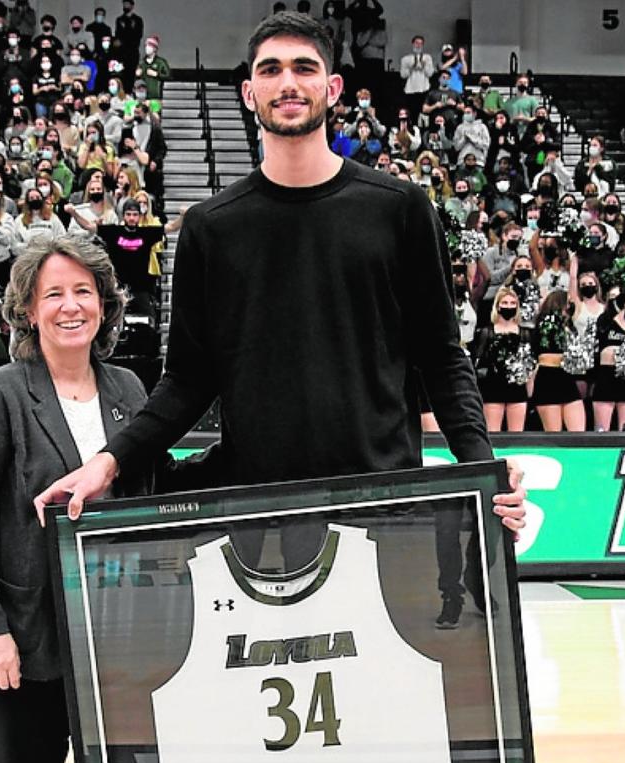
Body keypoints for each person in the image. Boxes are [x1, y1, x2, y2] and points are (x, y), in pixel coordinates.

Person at [37, 12, 527, 538]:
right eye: (270, 69)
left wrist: (484, 470)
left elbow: (442, 357)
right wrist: (110, 461)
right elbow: (187, 381)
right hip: (256, 516)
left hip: (382, 508)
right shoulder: (210, 228)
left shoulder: (400, 209)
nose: (288, 82)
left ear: (332, 88)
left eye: (304, 68)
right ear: (249, 93)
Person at [0, 235, 179, 763]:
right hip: (25, 644)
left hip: (119, 642)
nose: (71, 306)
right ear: (28, 311)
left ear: (104, 303)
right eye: (53, 294)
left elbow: (158, 482)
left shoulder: (128, 388)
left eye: (83, 291)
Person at [471, 287, 531, 432]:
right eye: (505, 303)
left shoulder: (525, 333)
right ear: (497, 306)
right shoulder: (486, 332)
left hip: (517, 388)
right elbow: (478, 362)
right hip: (492, 387)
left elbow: (530, 364)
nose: (508, 306)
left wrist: (530, 388)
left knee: (517, 433)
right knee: (493, 433)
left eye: (512, 303)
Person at [531, 290, 585, 431]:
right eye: (568, 303)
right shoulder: (545, 325)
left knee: (578, 433)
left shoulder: (571, 327)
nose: (571, 306)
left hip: (567, 378)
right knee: (553, 434)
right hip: (548, 378)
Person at [590, 284, 625, 431]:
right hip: (606, 377)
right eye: (611, 297)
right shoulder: (604, 321)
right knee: (602, 431)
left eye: (617, 297)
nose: (615, 300)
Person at [399, 35, 434, 117]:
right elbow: (403, 75)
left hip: (424, 89)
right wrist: (411, 68)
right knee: (412, 114)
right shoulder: (405, 59)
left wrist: (423, 66)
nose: (418, 45)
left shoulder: (427, 58)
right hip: (410, 90)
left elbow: (430, 74)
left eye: (421, 43)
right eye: (416, 43)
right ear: (413, 44)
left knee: (424, 114)